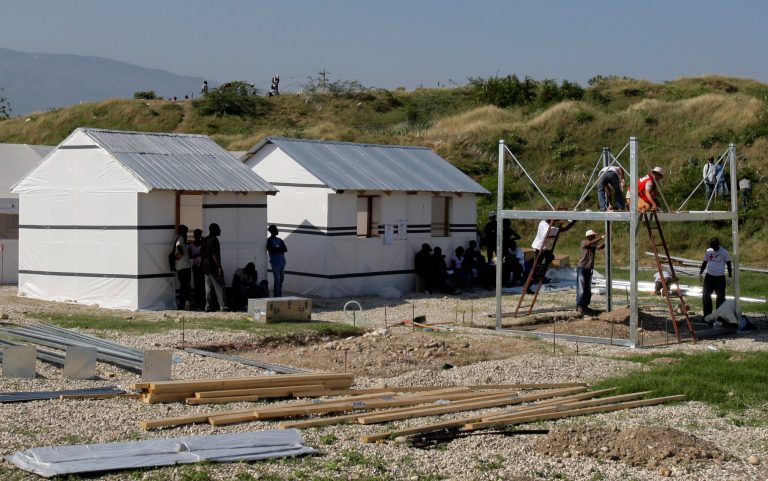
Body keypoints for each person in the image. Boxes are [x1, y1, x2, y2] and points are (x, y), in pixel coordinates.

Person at [529, 218, 576, 292]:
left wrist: (562, 219)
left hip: (538, 246)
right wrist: (572, 222)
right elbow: (564, 229)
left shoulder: (542, 222)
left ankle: (537, 275)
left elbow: (553, 220)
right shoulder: (550, 228)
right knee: (538, 266)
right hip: (540, 248)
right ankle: (537, 275)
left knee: (548, 258)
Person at [699, 237, 732, 320]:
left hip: (720, 278)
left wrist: (730, 276)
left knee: (720, 297)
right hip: (709, 277)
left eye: (715, 246)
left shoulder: (724, 252)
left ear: (718, 244)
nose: (714, 248)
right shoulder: (708, 251)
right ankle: (707, 316)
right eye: (712, 246)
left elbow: (728, 265)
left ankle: (719, 317)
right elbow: (704, 262)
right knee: (706, 296)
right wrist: (700, 273)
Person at [576, 230, 605, 314]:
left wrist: (606, 242)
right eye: (593, 235)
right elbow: (589, 243)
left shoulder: (593, 244)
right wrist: (601, 237)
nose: (595, 237)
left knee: (587, 288)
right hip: (582, 268)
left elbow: (599, 247)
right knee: (581, 288)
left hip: (589, 268)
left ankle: (585, 306)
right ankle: (579, 306)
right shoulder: (584, 242)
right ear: (589, 236)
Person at [202, 223, 227, 312]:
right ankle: (223, 306)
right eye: (218, 229)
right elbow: (214, 254)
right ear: (214, 230)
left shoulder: (205, 240)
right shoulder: (214, 240)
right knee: (220, 287)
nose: (220, 230)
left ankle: (208, 307)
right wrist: (219, 267)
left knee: (208, 289)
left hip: (205, 268)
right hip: (213, 267)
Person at [173, 225, 191, 310]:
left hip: (182, 267)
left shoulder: (179, 238)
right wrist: (180, 254)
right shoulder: (180, 238)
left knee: (184, 286)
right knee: (185, 286)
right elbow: (178, 246)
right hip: (184, 267)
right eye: (186, 232)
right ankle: (183, 304)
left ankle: (183, 303)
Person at [266, 225, 287, 297]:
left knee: (281, 280)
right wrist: (279, 249)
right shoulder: (269, 240)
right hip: (275, 263)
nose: (277, 231)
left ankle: (279, 295)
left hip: (282, 262)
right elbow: (271, 250)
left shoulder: (280, 240)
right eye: (276, 229)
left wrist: (277, 249)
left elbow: (285, 249)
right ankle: (277, 296)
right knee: (277, 280)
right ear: (272, 231)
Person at [188, 229, 205, 310]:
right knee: (197, 284)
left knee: (202, 284)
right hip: (195, 266)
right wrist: (199, 254)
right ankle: (198, 301)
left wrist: (197, 254)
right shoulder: (191, 245)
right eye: (196, 234)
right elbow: (190, 256)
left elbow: (204, 255)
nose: (197, 236)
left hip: (202, 266)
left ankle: (202, 301)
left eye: (198, 234)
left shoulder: (203, 244)